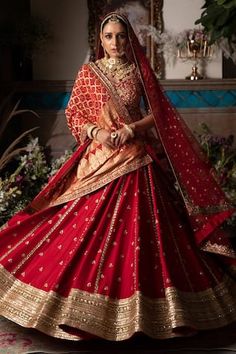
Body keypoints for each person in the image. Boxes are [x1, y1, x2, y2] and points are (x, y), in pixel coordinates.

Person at [0, 12, 236, 342]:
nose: (115, 43)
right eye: (109, 37)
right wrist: (97, 132)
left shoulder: (139, 70)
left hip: (137, 157)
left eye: (121, 36)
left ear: (129, 38)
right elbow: (75, 113)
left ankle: (161, 311)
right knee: (77, 225)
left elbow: (159, 113)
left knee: (151, 227)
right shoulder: (88, 72)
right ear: (100, 40)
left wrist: (131, 128)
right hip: (98, 159)